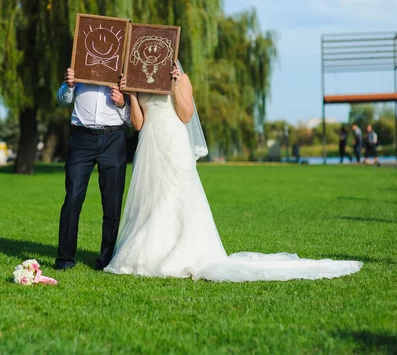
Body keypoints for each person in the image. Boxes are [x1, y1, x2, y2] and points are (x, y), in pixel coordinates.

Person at [104, 61, 363, 282]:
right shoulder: (137, 82)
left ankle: (176, 253)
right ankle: (150, 253)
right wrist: (132, 95)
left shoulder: (181, 78)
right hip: (150, 143)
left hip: (174, 142)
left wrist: (174, 85)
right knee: (151, 198)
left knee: (174, 196)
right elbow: (138, 124)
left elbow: (185, 115)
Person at [55, 67, 130, 270]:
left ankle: (106, 260)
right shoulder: (81, 62)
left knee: (112, 203)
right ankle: (65, 259)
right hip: (81, 139)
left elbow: (132, 118)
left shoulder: (123, 70)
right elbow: (62, 99)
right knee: (72, 198)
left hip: (113, 139)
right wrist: (69, 85)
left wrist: (122, 103)